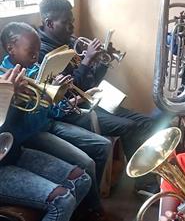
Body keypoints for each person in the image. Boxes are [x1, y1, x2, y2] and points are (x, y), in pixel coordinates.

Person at [37, 0, 158, 192]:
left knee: (147, 122)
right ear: (49, 23)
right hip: (73, 110)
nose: (71, 27)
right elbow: (68, 91)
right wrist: (85, 63)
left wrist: (101, 61)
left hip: (90, 99)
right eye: (66, 23)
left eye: (72, 22)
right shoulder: (43, 52)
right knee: (130, 126)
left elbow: (91, 82)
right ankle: (143, 183)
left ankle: (149, 175)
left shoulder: (68, 42)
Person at [0, 22, 114, 221]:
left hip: (24, 141)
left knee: (83, 177)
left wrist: (60, 96)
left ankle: (86, 213)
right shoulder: (5, 79)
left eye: (37, 51)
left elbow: (48, 110)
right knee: (65, 194)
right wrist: (13, 98)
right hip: (28, 135)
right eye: (31, 51)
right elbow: (15, 129)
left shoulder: (33, 69)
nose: (36, 57)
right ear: (11, 48)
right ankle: (92, 212)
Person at [0, 65, 91, 221]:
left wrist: (16, 101)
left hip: (14, 152)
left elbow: (18, 133)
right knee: (62, 201)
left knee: (82, 180)